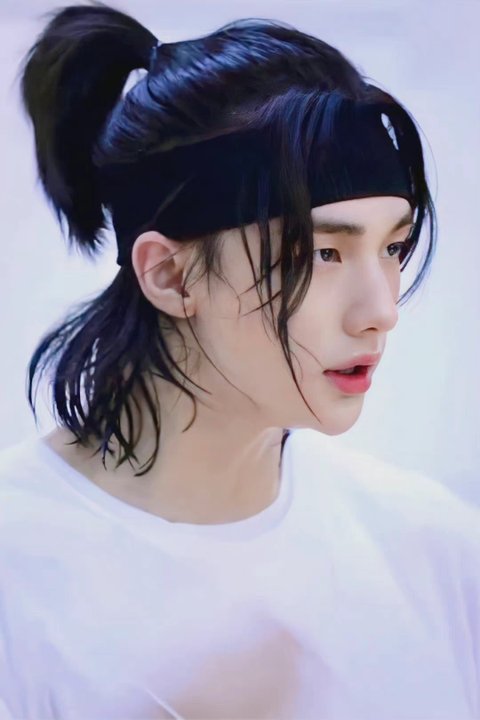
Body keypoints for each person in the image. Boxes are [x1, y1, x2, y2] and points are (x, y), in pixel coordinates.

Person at [0, 2, 479, 718]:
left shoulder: (434, 548)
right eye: (324, 252)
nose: (382, 308)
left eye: (393, 247)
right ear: (170, 275)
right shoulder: (18, 581)